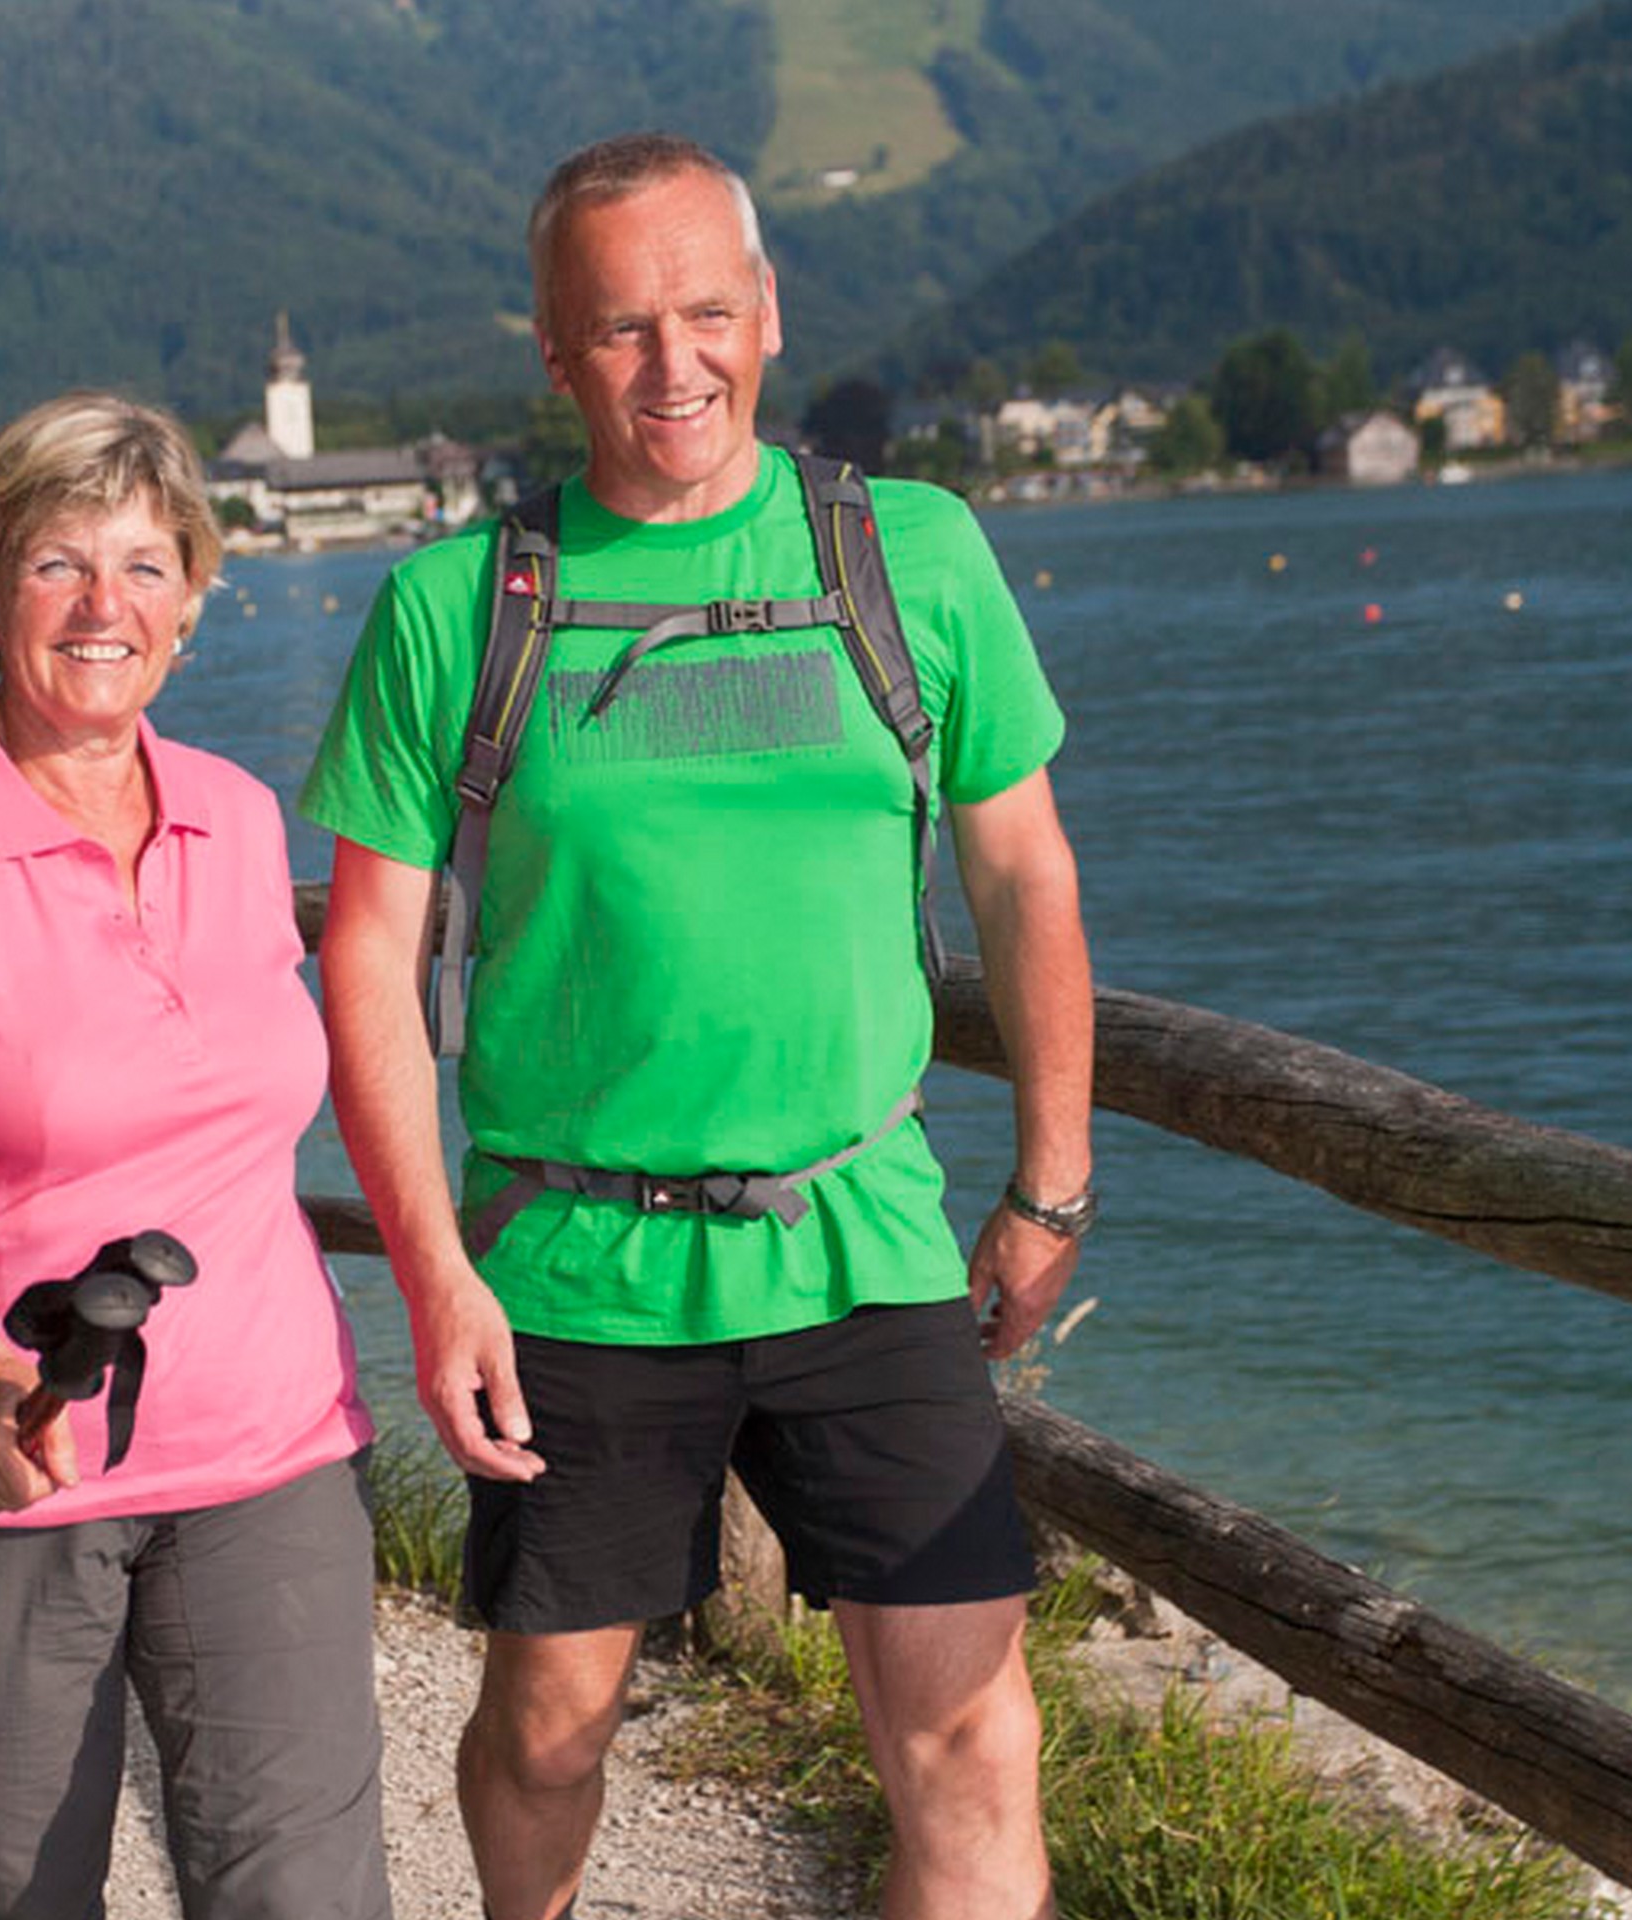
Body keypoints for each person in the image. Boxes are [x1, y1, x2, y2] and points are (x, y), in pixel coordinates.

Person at [301, 133, 1093, 1920]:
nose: (676, 365)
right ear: (553, 350)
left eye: (709, 311)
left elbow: (1025, 875)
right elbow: (363, 956)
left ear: (771, 313)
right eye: (623, 327)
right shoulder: (455, 609)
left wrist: (1050, 1182)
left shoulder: (914, 557)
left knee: (970, 1736)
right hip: (574, 1263)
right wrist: (434, 1272)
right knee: (552, 1728)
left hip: (866, 1238)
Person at [0, 391, 391, 1920]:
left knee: (305, 1894)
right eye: (57, 564)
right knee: (9, 1896)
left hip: (272, 1446)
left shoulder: (239, 821)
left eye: (146, 563)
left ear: (191, 594)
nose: (106, 606)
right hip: (2, 1461)